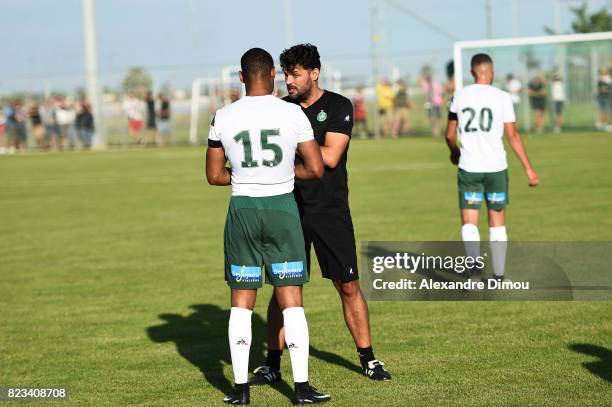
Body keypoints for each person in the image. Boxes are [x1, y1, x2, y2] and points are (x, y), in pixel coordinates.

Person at [250, 43, 392, 387]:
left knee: (348, 285)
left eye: (295, 73)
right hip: (288, 210)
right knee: (284, 287)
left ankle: (368, 358)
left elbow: (329, 157)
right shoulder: (281, 109)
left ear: (314, 73)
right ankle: (271, 364)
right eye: (285, 74)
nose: (288, 80)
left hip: (330, 212)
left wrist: (282, 161)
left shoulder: (339, 106)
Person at [206, 47, 330, 405]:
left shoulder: (223, 115)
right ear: (274, 74)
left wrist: (245, 176)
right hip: (282, 207)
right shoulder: (291, 113)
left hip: (243, 208)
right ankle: (302, 388)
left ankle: (241, 390)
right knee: (291, 300)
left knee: (242, 301)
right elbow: (317, 168)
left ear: (241, 77)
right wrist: (280, 175)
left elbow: (214, 175)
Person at [445, 53, 540, 283]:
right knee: (497, 222)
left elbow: (449, 134)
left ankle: (475, 276)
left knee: (470, 222)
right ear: (492, 72)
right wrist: (528, 168)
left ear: (472, 73)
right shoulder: (502, 97)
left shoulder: (459, 96)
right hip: (496, 167)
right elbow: (513, 135)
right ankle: (498, 276)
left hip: (469, 168)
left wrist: (454, 152)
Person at [420, 72, 444, 137]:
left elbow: (441, 92)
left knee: (438, 117)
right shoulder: (425, 84)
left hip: (437, 102)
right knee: (429, 117)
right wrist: (423, 76)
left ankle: (437, 130)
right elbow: (420, 81)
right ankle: (434, 129)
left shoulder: (436, 84)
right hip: (429, 103)